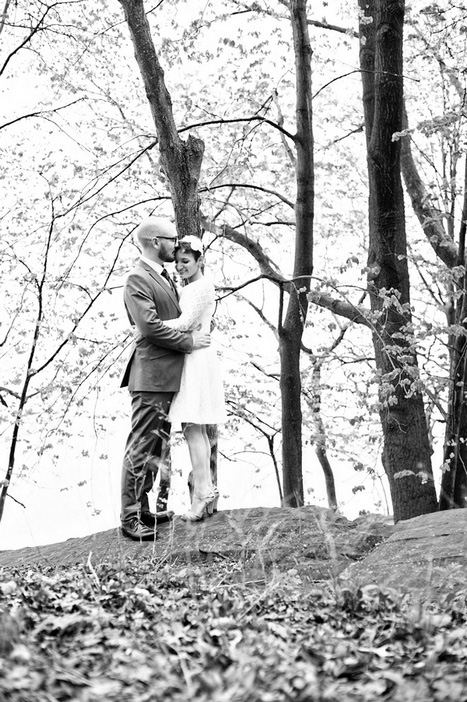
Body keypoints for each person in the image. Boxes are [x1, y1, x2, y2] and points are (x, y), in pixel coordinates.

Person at [120, 217, 211, 541]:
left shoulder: (163, 276)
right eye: (172, 239)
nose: (177, 244)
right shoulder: (137, 278)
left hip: (167, 377)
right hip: (150, 377)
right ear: (155, 242)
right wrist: (188, 342)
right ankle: (130, 517)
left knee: (155, 446)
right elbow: (149, 326)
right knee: (141, 445)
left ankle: (143, 508)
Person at [164, 235, 227, 521]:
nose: (180, 267)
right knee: (195, 429)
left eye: (186, 261)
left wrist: (147, 326)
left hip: (196, 359)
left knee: (193, 428)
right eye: (177, 262)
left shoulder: (201, 287)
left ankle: (202, 495)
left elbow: (185, 322)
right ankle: (207, 491)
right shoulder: (191, 287)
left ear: (200, 260)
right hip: (194, 355)